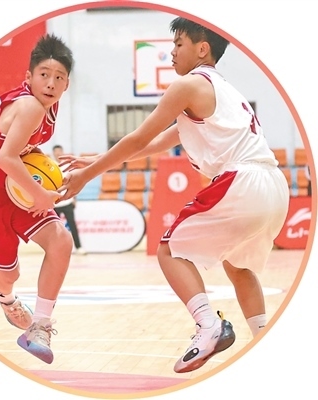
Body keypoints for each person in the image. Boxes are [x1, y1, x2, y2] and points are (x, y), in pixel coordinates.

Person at [59, 17, 289, 373]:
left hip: (242, 180)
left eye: (179, 44)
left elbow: (137, 137)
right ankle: (265, 340)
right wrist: (95, 159)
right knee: (238, 265)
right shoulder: (223, 91)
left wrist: (86, 175)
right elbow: (152, 145)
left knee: (169, 249)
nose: (171, 52)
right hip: (274, 186)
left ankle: (209, 326)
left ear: (202, 48)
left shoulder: (187, 85)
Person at [0, 34, 74, 364]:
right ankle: (4, 297)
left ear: (66, 84)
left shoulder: (48, 105)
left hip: (12, 188)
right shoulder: (30, 106)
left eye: (59, 77)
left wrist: (48, 173)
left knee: (61, 241)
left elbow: (19, 151)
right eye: (44, 75)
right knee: (9, 273)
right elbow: (5, 158)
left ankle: (40, 326)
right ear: (28, 77)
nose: (51, 83)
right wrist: (42, 194)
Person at [52, 144, 86, 255]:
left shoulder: (67, 166)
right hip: (55, 203)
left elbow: (73, 182)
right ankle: (56, 250)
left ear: (62, 152)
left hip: (67, 201)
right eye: (56, 151)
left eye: (59, 151)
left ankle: (79, 247)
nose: (58, 153)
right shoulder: (50, 166)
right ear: (53, 153)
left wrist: (74, 198)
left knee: (72, 225)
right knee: (55, 229)